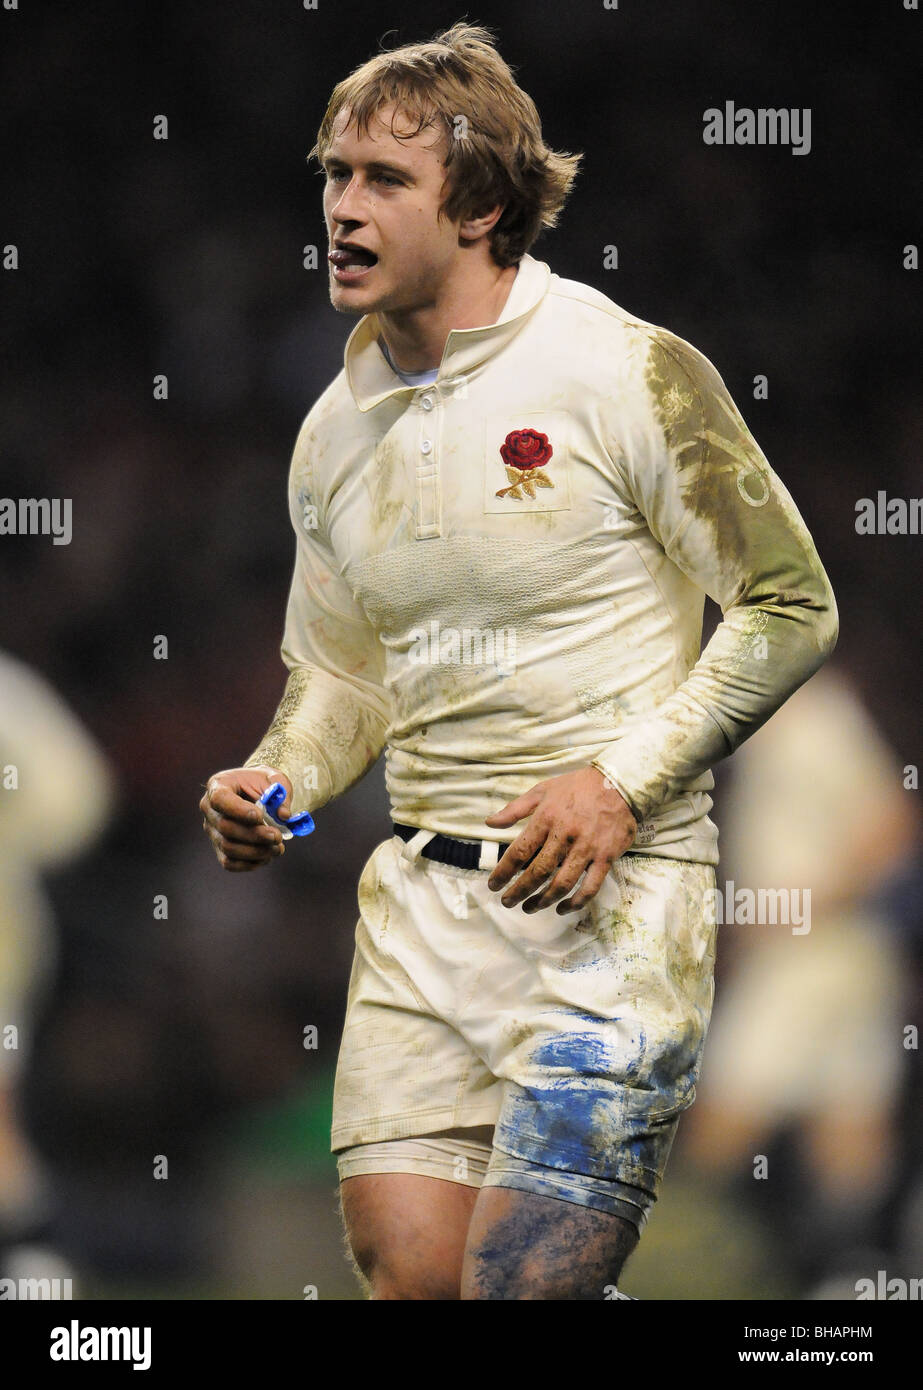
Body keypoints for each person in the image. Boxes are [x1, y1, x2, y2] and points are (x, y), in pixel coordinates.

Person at [200, 22, 838, 1300]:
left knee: (521, 1292)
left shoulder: (626, 372)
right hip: (420, 921)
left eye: (383, 180)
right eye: (332, 175)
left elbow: (787, 603)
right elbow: (342, 676)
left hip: (610, 907)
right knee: (409, 1283)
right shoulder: (331, 430)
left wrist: (617, 780)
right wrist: (275, 780)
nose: (340, 207)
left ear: (482, 202)